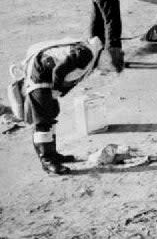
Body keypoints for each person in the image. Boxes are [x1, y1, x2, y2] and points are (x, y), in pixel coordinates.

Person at [19, 37, 103, 174]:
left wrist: (59, 91)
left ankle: (53, 155)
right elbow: (59, 71)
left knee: (52, 113)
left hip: (44, 72)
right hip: (38, 74)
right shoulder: (86, 54)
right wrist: (57, 89)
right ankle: (47, 161)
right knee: (43, 121)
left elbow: (68, 76)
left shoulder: (89, 53)